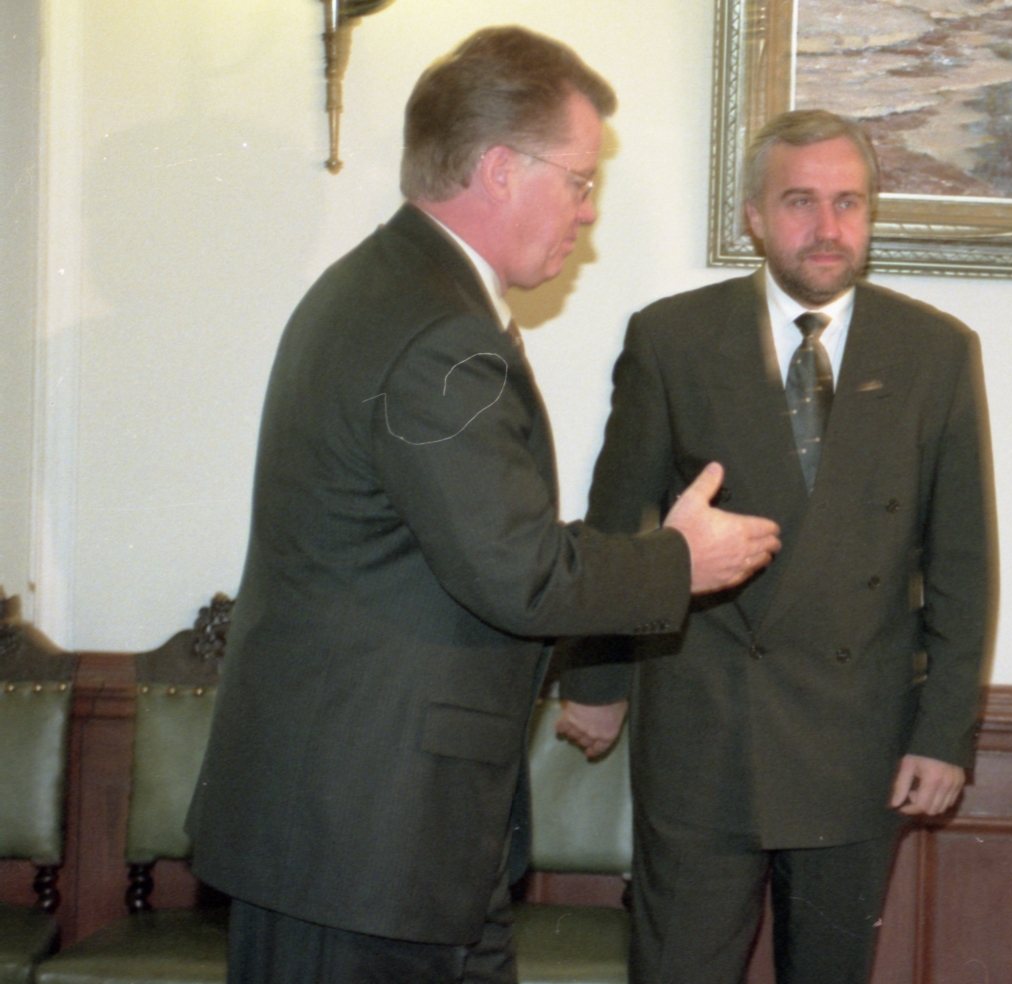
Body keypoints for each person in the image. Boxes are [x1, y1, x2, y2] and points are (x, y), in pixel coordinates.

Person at [186, 27, 781, 984]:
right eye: (579, 180)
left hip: (383, 840)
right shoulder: (438, 334)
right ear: (501, 169)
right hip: (364, 848)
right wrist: (680, 560)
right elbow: (519, 573)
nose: (588, 210)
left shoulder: (387, 290)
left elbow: (482, 545)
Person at [557, 109, 993, 984]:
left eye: (848, 203)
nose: (827, 227)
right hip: (703, 725)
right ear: (754, 216)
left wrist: (944, 733)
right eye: (800, 202)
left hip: (858, 739)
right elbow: (617, 523)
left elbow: (962, 560)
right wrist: (596, 684)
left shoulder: (936, 351)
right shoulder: (672, 337)